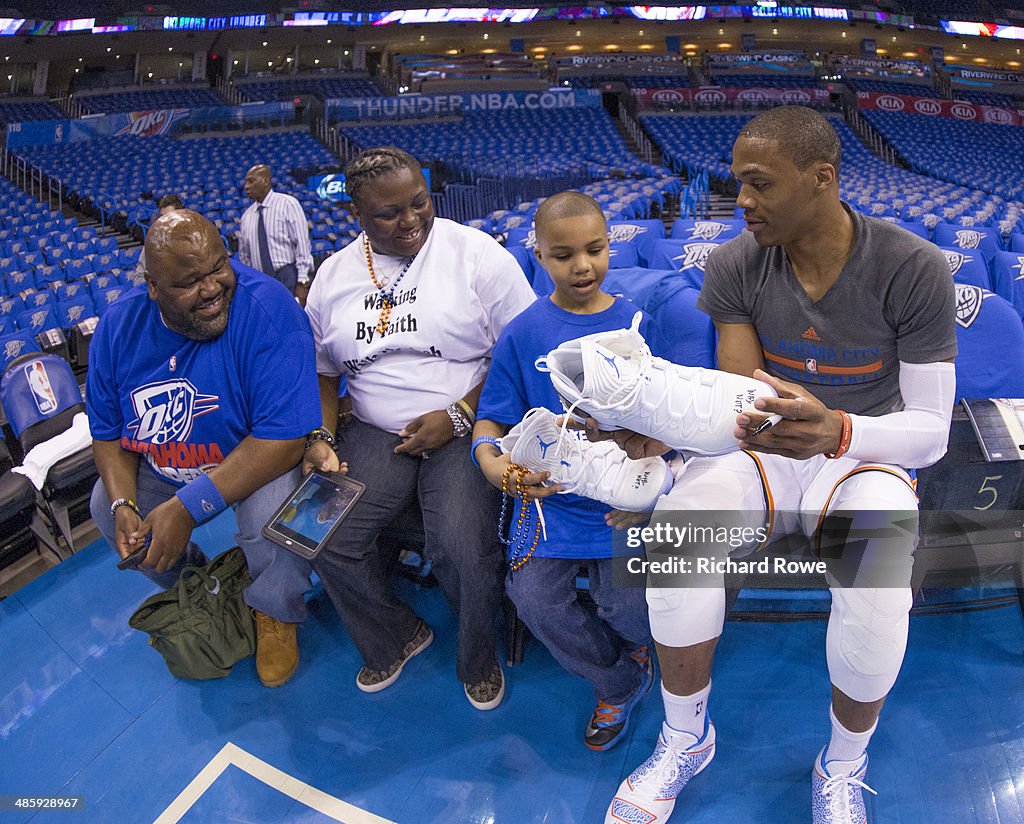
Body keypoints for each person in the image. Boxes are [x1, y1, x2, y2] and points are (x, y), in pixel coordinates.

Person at [602, 107, 957, 823]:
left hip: (865, 454)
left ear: (821, 179)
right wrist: (660, 424)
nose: (743, 201)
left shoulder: (913, 267)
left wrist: (840, 429)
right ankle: (685, 738)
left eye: (760, 184)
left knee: (878, 575)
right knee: (679, 541)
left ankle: (843, 766)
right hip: (766, 449)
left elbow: (928, 434)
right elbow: (741, 399)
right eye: (739, 183)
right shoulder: (737, 263)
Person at [303, 146, 536, 709]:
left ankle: (477, 659)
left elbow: (525, 351)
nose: (410, 221)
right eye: (389, 213)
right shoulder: (333, 277)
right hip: (373, 429)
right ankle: (398, 636)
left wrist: (459, 414)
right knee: (313, 530)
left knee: (460, 546)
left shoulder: (476, 256)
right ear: (357, 214)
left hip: (468, 422)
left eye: (419, 203)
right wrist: (321, 437)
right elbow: (322, 373)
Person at [87, 210, 321, 689]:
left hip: (253, 457)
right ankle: (203, 584)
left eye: (218, 267)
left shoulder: (270, 310)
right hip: (168, 462)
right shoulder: (117, 327)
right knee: (105, 511)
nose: (213, 287)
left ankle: (275, 608)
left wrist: (186, 510)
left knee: (271, 517)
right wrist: (124, 503)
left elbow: (283, 439)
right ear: (152, 287)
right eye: (189, 282)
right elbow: (108, 432)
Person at [473, 191, 660, 751]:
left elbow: (673, 422)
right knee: (532, 600)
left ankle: (642, 644)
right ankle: (617, 682)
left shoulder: (638, 326)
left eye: (595, 249)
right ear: (539, 256)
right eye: (563, 255)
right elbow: (490, 421)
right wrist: (494, 465)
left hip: (625, 503)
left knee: (625, 605)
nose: (582, 266)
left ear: (609, 247)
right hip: (547, 505)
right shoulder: (523, 332)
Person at [238, 164, 313, 302]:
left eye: (251, 181)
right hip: (261, 281)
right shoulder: (246, 217)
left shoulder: (288, 204)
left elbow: (302, 243)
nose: (246, 186)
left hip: (287, 275)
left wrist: (302, 280)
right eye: (246, 182)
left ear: (265, 181)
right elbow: (245, 257)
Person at [133, 194, 184, 283]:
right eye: (162, 217)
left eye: (170, 216)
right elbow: (138, 278)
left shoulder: (193, 240)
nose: (165, 221)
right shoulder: (152, 244)